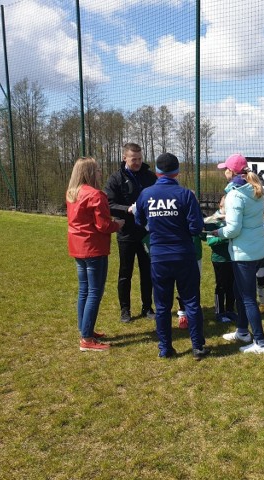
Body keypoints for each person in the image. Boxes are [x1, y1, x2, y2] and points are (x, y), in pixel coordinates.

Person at [134, 153, 209, 360]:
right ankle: (197, 347)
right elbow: (196, 227)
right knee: (192, 302)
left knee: (162, 305)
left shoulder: (146, 194)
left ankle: (165, 348)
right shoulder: (185, 194)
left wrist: (156, 228)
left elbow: (139, 221)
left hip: (159, 257)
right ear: (177, 172)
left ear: (157, 171)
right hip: (184, 255)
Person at [212, 153, 264, 354]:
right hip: (256, 250)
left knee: (247, 298)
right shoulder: (255, 189)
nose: (224, 172)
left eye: (225, 169)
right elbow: (247, 217)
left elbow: (233, 230)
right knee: (239, 291)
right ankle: (243, 331)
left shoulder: (235, 195)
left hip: (244, 253)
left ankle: (260, 342)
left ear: (231, 171)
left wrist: (214, 231)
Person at [66, 157, 124, 352]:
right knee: (94, 292)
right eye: (98, 170)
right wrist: (118, 224)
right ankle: (86, 338)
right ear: (89, 172)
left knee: (84, 290)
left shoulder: (72, 193)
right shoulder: (96, 195)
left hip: (78, 246)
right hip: (93, 248)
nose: (101, 173)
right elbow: (103, 225)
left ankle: (85, 329)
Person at [105, 143, 157, 323]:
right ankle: (125, 310)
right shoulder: (115, 179)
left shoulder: (150, 177)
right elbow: (109, 204)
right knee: (125, 272)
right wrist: (128, 209)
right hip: (126, 233)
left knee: (148, 271)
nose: (137, 162)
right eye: (133, 159)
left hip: (146, 233)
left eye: (140, 159)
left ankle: (147, 307)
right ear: (124, 158)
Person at [205, 196, 237, 323]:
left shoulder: (233, 219)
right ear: (220, 205)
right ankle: (219, 312)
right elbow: (210, 240)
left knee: (232, 286)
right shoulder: (212, 220)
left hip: (233, 257)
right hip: (220, 259)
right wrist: (225, 237)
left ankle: (230, 310)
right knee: (221, 286)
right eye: (227, 206)